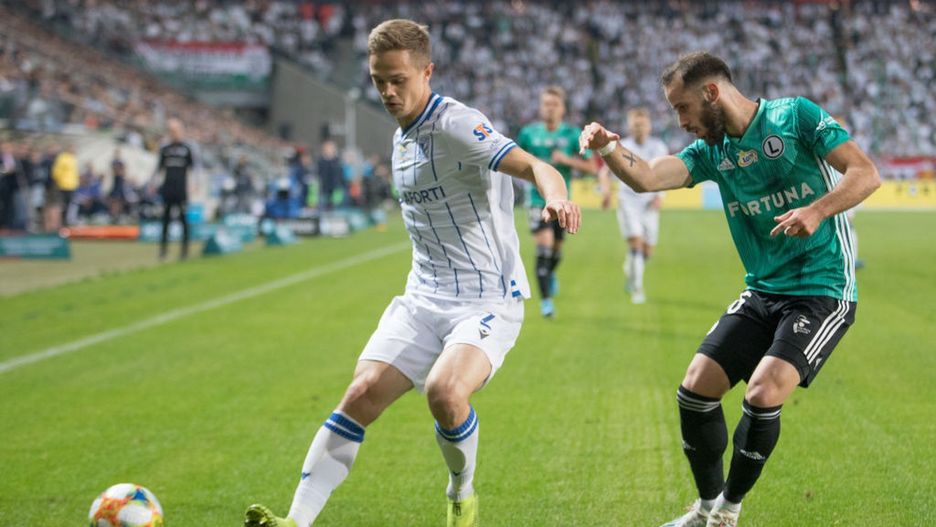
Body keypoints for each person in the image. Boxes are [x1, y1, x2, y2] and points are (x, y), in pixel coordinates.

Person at [245, 18, 581, 527]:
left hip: (485, 299)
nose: (387, 91)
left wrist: (556, 197)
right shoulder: (401, 137)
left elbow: (538, 166)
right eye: (378, 80)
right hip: (423, 298)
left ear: (427, 72)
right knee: (359, 394)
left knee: (445, 392)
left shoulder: (457, 124)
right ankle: (295, 521)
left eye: (398, 79)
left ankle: (461, 493)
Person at [580, 52, 880, 527]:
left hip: (823, 288)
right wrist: (608, 149)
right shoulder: (711, 152)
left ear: (711, 93)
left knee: (763, 392)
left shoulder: (794, 117)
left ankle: (727, 512)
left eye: (682, 107)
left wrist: (817, 210)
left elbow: (865, 173)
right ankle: (705, 510)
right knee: (695, 389)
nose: (681, 121)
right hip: (763, 290)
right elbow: (648, 177)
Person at [516, 86, 596, 318]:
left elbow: (592, 167)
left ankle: (550, 274)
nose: (550, 108)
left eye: (554, 104)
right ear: (541, 107)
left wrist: (567, 160)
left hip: (562, 200)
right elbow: (515, 160)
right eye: (546, 104)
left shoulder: (572, 134)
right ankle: (546, 302)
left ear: (562, 108)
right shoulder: (528, 134)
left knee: (557, 251)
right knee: (544, 247)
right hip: (536, 200)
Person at [598, 107, 668, 304]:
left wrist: (660, 196)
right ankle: (637, 289)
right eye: (636, 125)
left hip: (649, 203)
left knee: (647, 251)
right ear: (630, 127)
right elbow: (604, 173)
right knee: (636, 244)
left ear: (649, 126)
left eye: (642, 125)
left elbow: (665, 172)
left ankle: (631, 267)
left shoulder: (658, 147)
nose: (639, 128)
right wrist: (606, 193)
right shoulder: (622, 146)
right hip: (628, 202)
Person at [152, 118, 196, 260]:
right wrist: (153, 184)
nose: (173, 133)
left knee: (184, 220)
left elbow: (193, 169)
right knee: (165, 220)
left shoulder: (187, 149)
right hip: (168, 189)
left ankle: (184, 250)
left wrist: (193, 186)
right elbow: (159, 169)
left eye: (175, 130)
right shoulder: (165, 149)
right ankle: (163, 250)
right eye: (171, 130)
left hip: (181, 190)